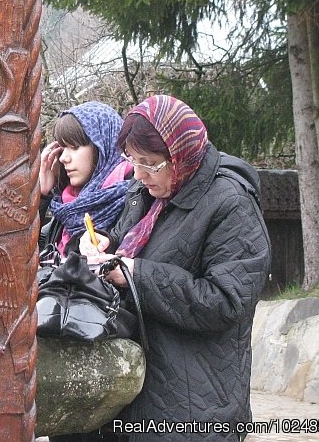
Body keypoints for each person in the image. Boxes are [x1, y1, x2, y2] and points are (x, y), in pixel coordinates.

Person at [77, 95, 271, 442]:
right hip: (140, 398)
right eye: (132, 161)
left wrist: (135, 275)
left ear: (180, 154)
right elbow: (127, 240)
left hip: (195, 407)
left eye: (150, 163)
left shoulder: (231, 203)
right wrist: (102, 242)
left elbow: (226, 301)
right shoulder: (148, 191)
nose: (138, 174)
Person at [39, 101, 132, 256]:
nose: (63, 158)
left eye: (74, 147)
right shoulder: (67, 205)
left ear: (102, 146)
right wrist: (42, 195)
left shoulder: (133, 197)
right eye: (62, 148)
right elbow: (27, 254)